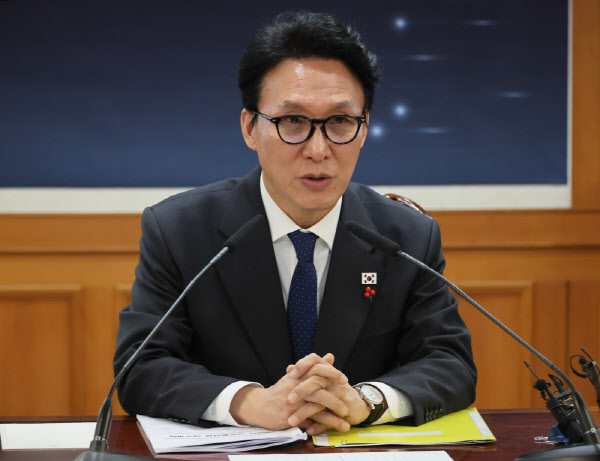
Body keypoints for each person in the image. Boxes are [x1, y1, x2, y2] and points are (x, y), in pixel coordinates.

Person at [114, 11, 476, 436]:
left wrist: (366, 401)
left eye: (339, 121)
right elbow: (141, 366)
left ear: (364, 129)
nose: (318, 149)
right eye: (293, 121)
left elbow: (450, 363)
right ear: (250, 128)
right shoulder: (180, 230)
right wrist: (248, 402)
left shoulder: (406, 237)